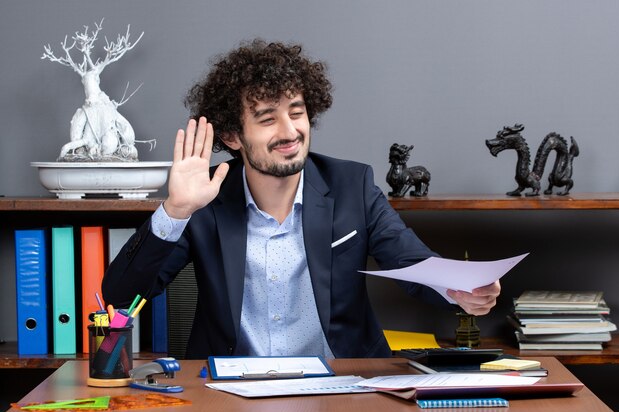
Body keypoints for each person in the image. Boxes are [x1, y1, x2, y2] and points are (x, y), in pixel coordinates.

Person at [102, 39, 500, 359]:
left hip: (341, 386)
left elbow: (413, 264)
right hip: (228, 392)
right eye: (267, 118)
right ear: (232, 137)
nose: (290, 131)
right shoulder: (204, 198)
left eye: (297, 112)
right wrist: (176, 210)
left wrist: (461, 291)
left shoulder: (351, 186)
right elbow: (121, 296)